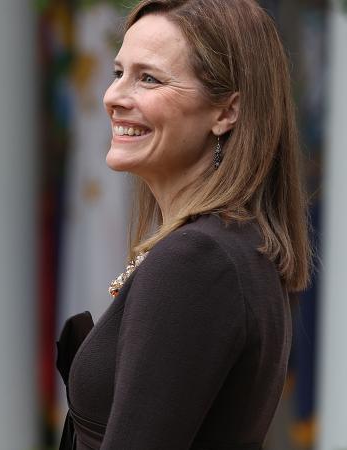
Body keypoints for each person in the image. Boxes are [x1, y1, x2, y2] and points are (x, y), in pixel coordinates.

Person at [57, 0, 311, 448]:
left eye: (149, 78)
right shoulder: (230, 248)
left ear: (226, 112)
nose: (114, 96)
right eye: (119, 73)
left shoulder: (199, 261)